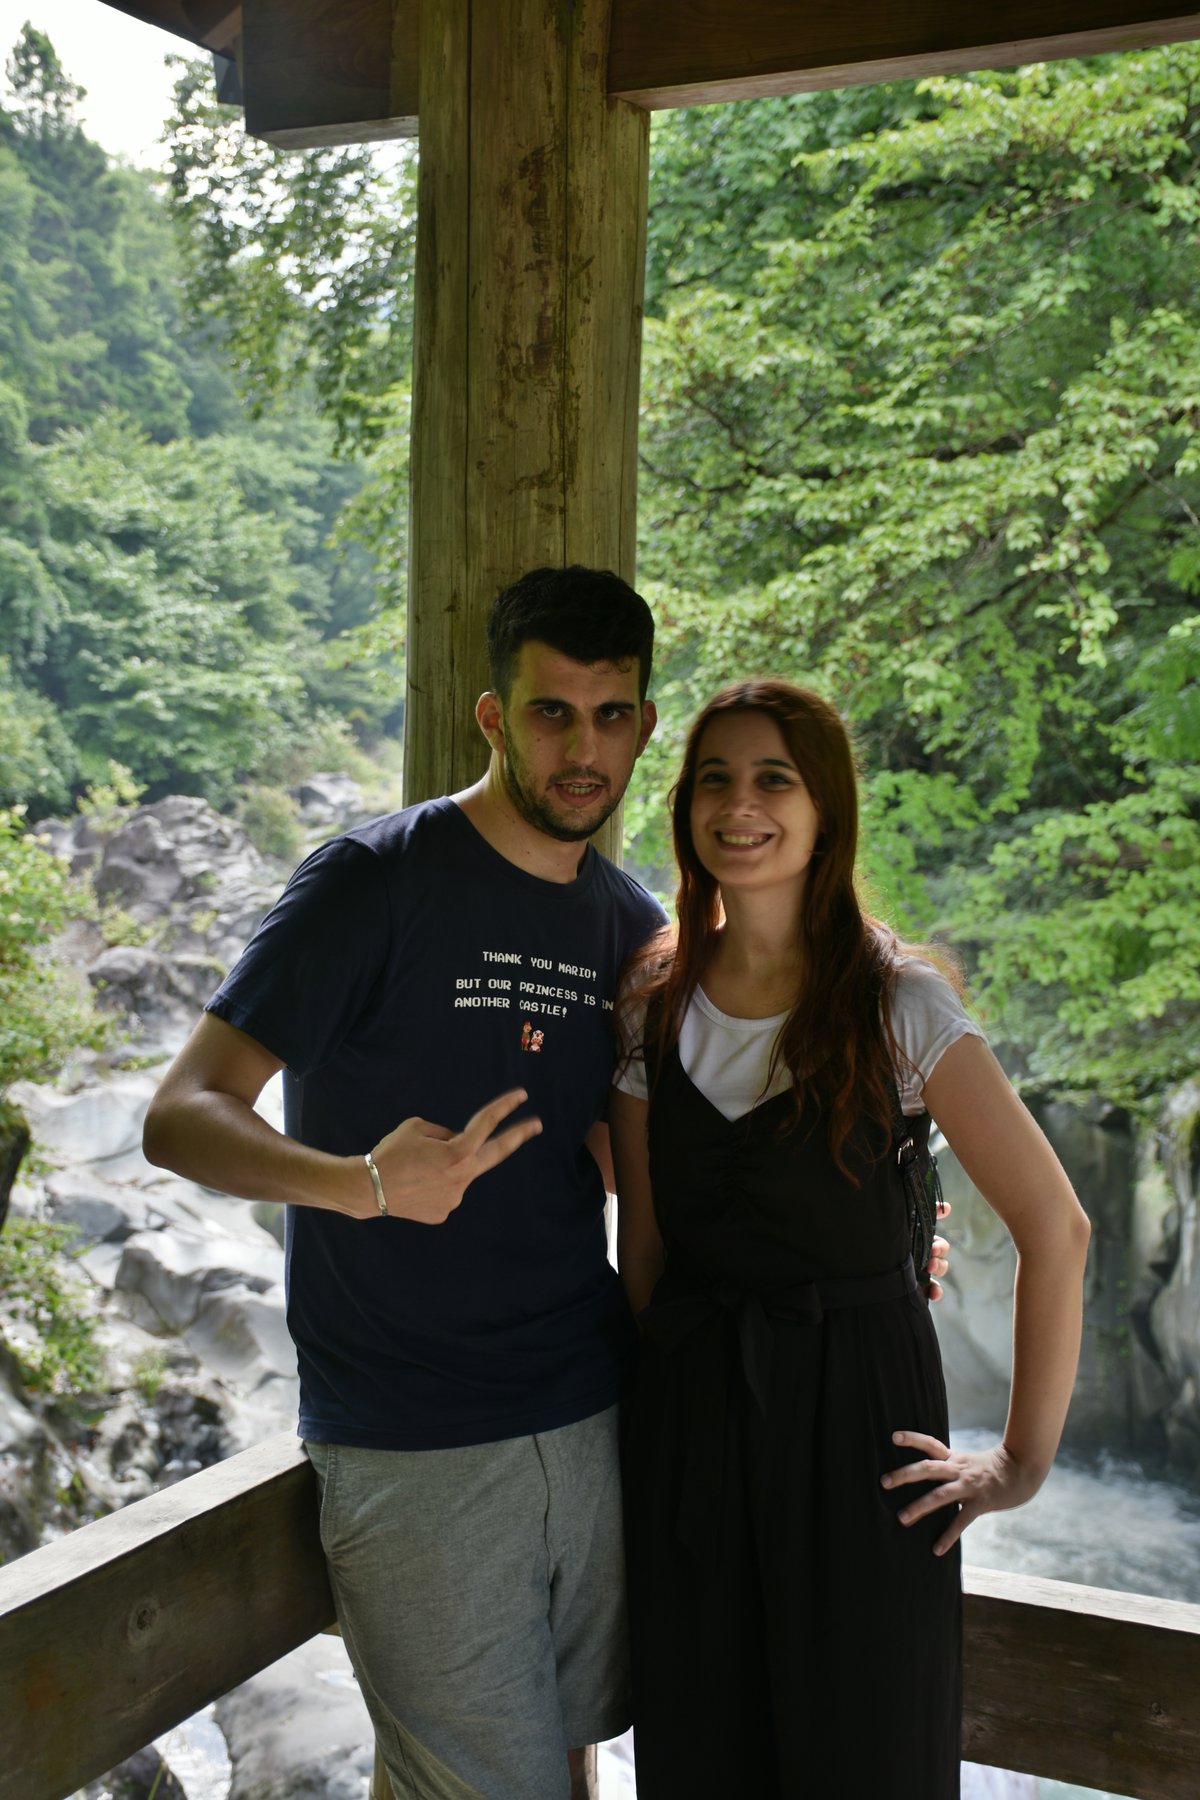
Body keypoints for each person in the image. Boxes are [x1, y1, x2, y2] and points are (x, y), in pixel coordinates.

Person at [142, 566, 667, 1800]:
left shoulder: (627, 926)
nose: (582, 749)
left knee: (571, 1766)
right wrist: (363, 1182)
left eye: (610, 715)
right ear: (493, 716)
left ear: (645, 724)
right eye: (551, 712)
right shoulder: (375, 879)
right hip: (414, 1441)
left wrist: (867, 1235)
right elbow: (180, 1116)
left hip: (590, 1412)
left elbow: (644, 1168)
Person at [609, 680, 1091, 1799]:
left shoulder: (897, 1003)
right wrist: (661, 1431)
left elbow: (1054, 1226)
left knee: (866, 1753)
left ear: (826, 808)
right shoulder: (652, 1004)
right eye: (715, 780)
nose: (740, 804)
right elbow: (647, 1253)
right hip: (693, 1427)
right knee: (700, 1751)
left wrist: (1019, 1463)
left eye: (774, 779)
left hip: (865, 1432)